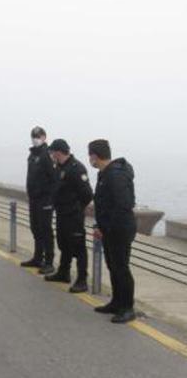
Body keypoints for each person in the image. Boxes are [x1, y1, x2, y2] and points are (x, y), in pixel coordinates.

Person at [89, 139, 137, 324]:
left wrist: (107, 228)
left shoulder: (115, 175)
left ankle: (127, 308)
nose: (90, 159)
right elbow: (104, 204)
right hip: (109, 229)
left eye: (90, 155)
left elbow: (122, 205)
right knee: (113, 266)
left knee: (121, 268)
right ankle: (117, 303)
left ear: (94, 155)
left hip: (120, 229)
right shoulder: (105, 173)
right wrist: (100, 226)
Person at [45, 139, 93, 293]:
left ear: (58, 152)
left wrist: (77, 208)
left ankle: (82, 279)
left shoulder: (76, 168)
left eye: (52, 152)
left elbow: (87, 194)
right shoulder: (59, 167)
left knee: (78, 248)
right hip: (62, 214)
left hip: (74, 216)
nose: (51, 155)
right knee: (63, 244)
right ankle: (63, 272)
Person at [22, 126, 57, 274]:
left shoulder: (47, 155)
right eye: (33, 136)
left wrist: (50, 199)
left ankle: (49, 261)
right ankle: (38, 257)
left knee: (46, 230)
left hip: (45, 200)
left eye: (38, 136)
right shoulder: (32, 155)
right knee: (35, 228)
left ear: (44, 137)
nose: (35, 138)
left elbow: (54, 178)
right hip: (34, 199)